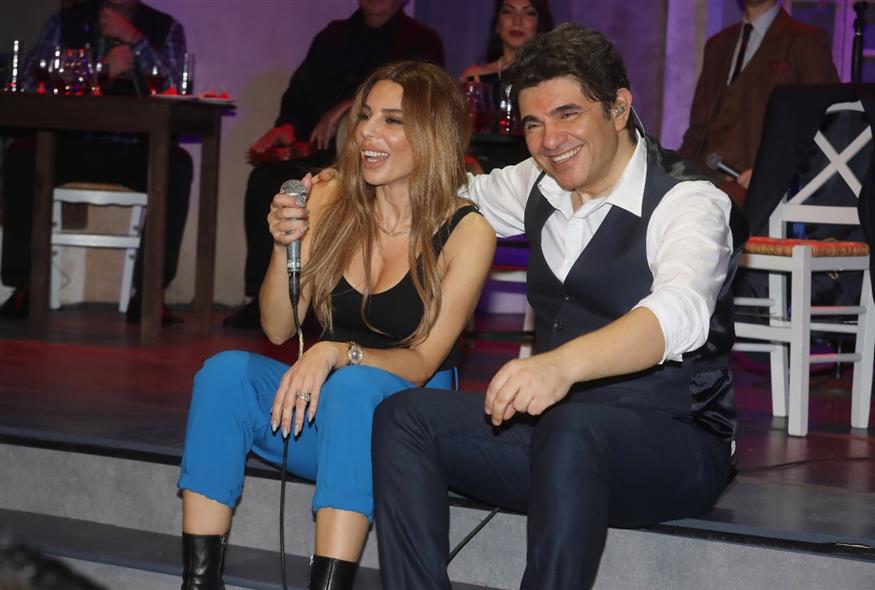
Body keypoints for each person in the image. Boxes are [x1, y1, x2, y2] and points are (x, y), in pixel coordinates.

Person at [368, 24, 749, 589]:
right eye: (533, 123)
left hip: (675, 448)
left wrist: (561, 366)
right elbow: (438, 199)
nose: (550, 141)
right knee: (404, 417)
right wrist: (335, 190)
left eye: (568, 114)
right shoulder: (537, 182)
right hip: (555, 444)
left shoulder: (689, 199)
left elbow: (679, 314)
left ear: (618, 108)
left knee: (573, 428)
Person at [177, 61, 495, 590]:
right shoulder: (330, 199)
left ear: (433, 134)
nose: (367, 131)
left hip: (409, 434)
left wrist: (335, 353)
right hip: (327, 421)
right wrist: (286, 244)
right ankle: (199, 581)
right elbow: (277, 327)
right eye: (365, 115)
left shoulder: (467, 231)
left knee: (351, 385)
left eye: (392, 120)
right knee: (223, 374)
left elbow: (421, 363)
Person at [223, 0, 445, 329]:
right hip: (318, 151)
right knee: (266, 179)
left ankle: (330, 302)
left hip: (363, 158)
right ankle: (266, 295)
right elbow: (300, 93)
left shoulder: (421, 40)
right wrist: (288, 125)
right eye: (365, 115)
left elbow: (424, 107)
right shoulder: (333, 35)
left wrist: (352, 108)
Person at [0, 0, 192, 324]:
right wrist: (100, 70)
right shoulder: (66, 22)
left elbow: (178, 89)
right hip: (70, 144)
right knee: (22, 154)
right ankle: (25, 283)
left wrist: (136, 41)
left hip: (136, 149)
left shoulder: (166, 28)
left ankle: (150, 292)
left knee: (177, 165)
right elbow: (32, 85)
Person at [678, 0, 838, 205]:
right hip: (704, 185)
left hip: (761, 194)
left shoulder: (806, 40)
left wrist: (773, 172)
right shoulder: (717, 44)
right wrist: (675, 173)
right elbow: (698, 127)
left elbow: (826, 121)